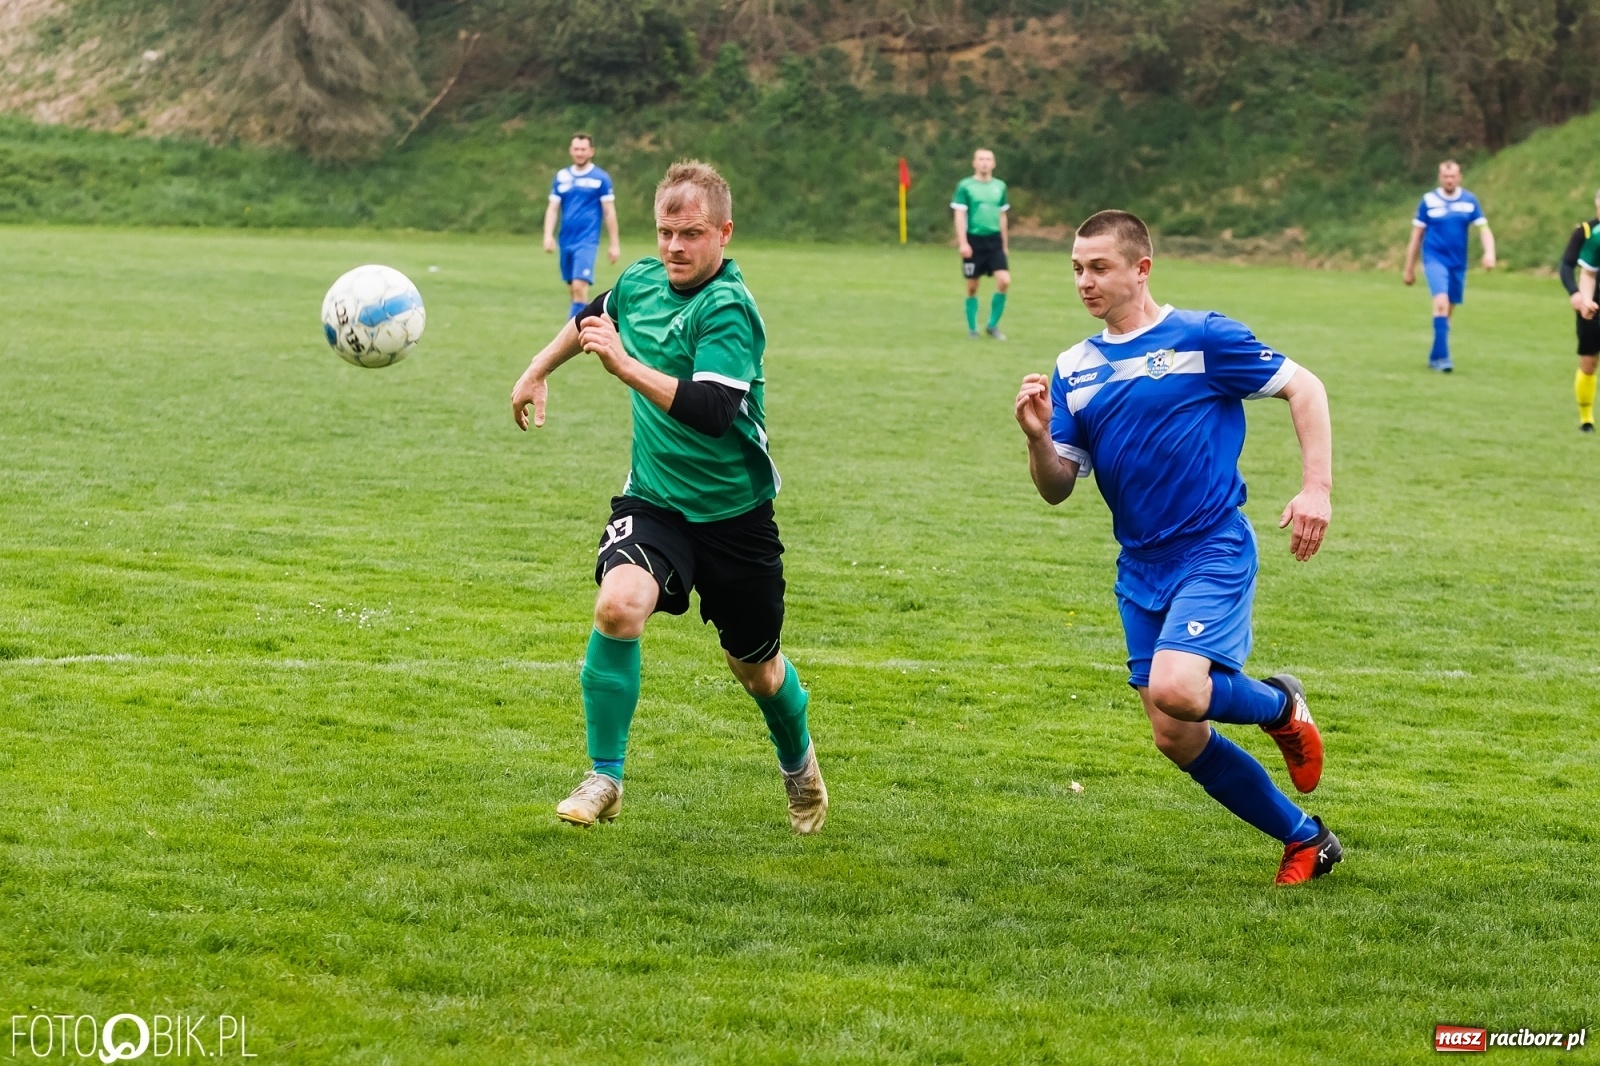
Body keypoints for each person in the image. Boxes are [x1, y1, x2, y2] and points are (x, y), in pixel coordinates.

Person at [1014, 209, 1343, 885]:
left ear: (1141, 268)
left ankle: (1282, 706)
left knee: (1178, 688)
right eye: (1076, 269)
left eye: (1099, 267)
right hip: (1140, 566)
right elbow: (1057, 489)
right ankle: (1306, 839)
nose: (1084, 282)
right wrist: (1038, 439)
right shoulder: (1073, 368)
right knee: (1175, 733)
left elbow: (1304, 387)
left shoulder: (1202, 337)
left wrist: (1317, 488)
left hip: (1211, 547)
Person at [511, 160, 827, 834]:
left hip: (735, 519)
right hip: (655, 504)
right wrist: (537, 370)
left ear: (723, 232)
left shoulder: (728, 308)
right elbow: (595, 315)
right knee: (618, 607)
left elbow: (713, 409)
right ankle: (605, 776)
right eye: (665, 233)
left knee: (758, 671)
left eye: (691, 234)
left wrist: (625, 366)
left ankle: (799, 766)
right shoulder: (643, 282)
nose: (676, 248)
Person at [1402, 160, 1496, 372]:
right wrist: (1409, 268)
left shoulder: (1470, 201)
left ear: (1459, 177)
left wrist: (1489, 253)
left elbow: (1484, 229)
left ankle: (1435, 355)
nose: (1449, 180)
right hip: (1435, 260)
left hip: (1458, 263)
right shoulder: (1428, 201)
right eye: (1446, 176)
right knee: (1441, 304)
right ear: (1440, 178)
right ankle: (1443, 359)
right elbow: (1416, 237)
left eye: (1453, 176)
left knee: (1448, 311)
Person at [543, 132, 622, 319]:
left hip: (587, 240)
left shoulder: (600, 178)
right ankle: (585, 325)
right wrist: (548, 235)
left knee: (580, 286)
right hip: (566, 240)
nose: (579, 153)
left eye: (583, 149)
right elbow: (553, 208)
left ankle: (574, 332)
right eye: (576, 149)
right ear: (571, 151)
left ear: (591, 152)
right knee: (574, 290)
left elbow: (609, 211)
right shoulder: (561, 177)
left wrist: (614, 244)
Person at [951, 148, 1011, 340]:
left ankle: (992, 326)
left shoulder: (1000, 186)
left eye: (988, 159)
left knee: (1004, 281)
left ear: (993, 163)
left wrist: (1004, 244)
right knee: (972, 286)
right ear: (974, 163)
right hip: (973, 241)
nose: (984, 162)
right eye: (981, 159)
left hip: (994, 241)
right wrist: (963, 243)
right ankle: (972, 329)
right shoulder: (965, 186)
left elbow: (1002, 216)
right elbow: (959, 216)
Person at [1557, 189, 1600, 433]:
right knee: (1589, 362)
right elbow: (1568, 266)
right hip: (1592, 304)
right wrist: (1578, 296)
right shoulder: (1588, 233)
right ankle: (1586, 419)